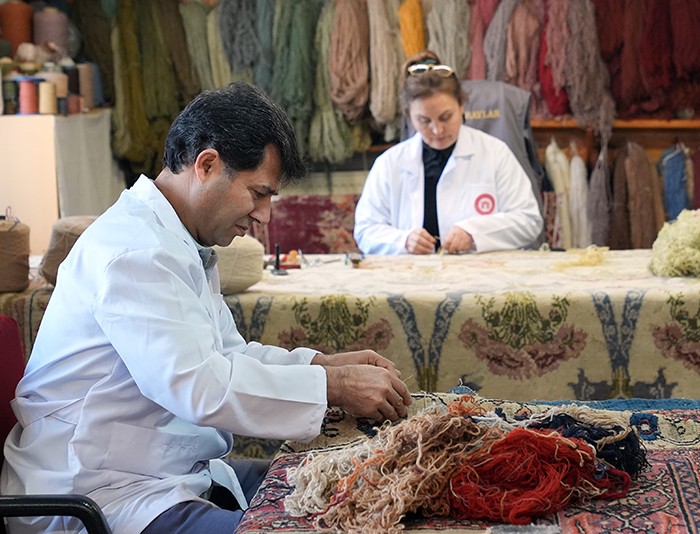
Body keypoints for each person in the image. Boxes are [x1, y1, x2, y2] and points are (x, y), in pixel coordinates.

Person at [0, 82, 412, 534]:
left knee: (349, 489)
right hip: (94, 492)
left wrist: (321, 364)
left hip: (158, 470)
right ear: (207, 164)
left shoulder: (179, 240)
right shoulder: (135, 250)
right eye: (258, 193)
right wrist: (331, 385)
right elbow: (199, 385)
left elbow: (225, 356)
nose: (265, 217)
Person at [354, 51, 544, 255]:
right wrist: (403, 240)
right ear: (409, 116)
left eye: (446, 117)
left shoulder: (494, 153)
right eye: (424, 121)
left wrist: (474, 233)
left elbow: (529, 220)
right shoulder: (390, 163)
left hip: (481, 276)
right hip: (411, 278)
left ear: (462, 105)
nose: (437, 130)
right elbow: (366, 230)